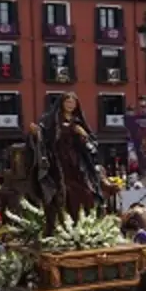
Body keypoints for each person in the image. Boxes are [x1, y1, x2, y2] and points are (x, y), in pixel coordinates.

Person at [30, 92, 103, 228]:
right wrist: (37, 133)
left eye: (73, 103)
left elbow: (91, 142)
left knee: (85, 189)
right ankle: (61, 219)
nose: (70, 105)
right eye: (67, 102)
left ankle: (83, 219)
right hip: (57, 159)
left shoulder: (78, 121)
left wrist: (83, 134)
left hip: (76, 160)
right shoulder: (52, 120)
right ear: (62, 103)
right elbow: (44, 136)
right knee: (63, 188)